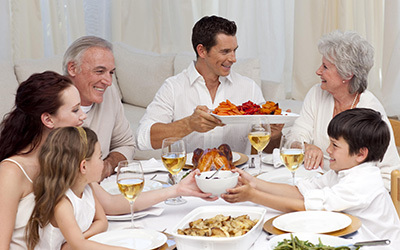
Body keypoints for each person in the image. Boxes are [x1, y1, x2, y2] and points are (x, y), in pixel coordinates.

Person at [222, 108, 400, 244]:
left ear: (361, 154)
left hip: (375, 245)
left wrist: (254, 196)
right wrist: (255, 183)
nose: (328, 150)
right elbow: (302, 192)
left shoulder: (363, 182)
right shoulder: (345, 171)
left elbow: (306, 207)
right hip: (352, 237)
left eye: (335, 145)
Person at [136, 15, 282, 154]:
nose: (233, 59)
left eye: (234, 50)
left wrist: (274, 135)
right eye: (225, 51)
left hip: (237, 175)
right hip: (189, 175)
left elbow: (267, 150)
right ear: (202, 51)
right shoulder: (174, 87)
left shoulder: (248, 88)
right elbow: (142, 138)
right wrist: (189, 124)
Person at [289, 30, 400, 190]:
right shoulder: (317, 93)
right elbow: (295, 134)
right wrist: (306, 146)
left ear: (347, 74)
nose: (318, 71)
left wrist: (345, 194)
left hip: (352, 195)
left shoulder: (370, 111)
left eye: (325, 67)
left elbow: (389, 174)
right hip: (317, 184)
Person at [0, 71, 87, 249]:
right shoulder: (11, 172)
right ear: (48, 119)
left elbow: (108, 204)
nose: (83, 116)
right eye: (75, 110)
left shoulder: (64, 155)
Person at [26, 127, 129, 250]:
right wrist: (77, 242)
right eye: (100, 157)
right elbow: (80, 245)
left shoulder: (87, 188)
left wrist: (74, 242)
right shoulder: (63, 204)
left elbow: (102, 222)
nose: (103, 163)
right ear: (84, 166)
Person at [63, 36, 135, 179]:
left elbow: (126, 144)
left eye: (111, 73)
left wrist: (107, 166)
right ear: (72, 68)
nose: (108, 81)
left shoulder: (110, 92)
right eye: (99, 71)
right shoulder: (50, 102)